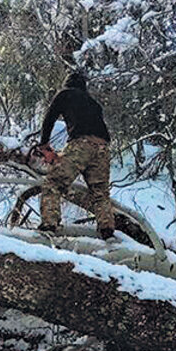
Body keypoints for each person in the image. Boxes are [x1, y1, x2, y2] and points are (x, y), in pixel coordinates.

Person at [36, 71, 115, 240]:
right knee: (100, 192)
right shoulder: (94, 104)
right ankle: (107, 231)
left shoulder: (65, 94)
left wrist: (44, 145)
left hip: (81, 144)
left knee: (53, 183)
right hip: (103, 147)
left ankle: (49, 226)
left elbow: (49, 118)